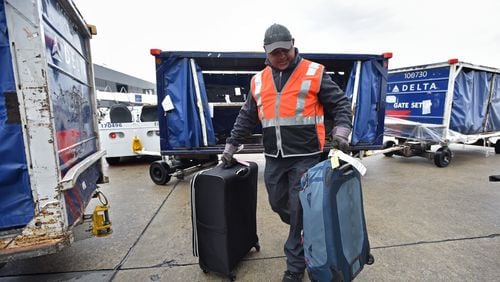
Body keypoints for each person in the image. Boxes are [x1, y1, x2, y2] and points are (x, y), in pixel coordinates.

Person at [222, 23, 352, 282]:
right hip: (274, 156)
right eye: (274, 53)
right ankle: (311, 228)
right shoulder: (258, 81)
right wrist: (230, 148)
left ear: (293, 44)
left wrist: (341, 133)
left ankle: (295, 267)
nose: (281, 56)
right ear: (265, 52)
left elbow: (340, 104)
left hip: (305, 155)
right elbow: (247, 116)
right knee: (278, 203)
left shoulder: (313, 72)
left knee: (298, 208)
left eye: (285, 50)